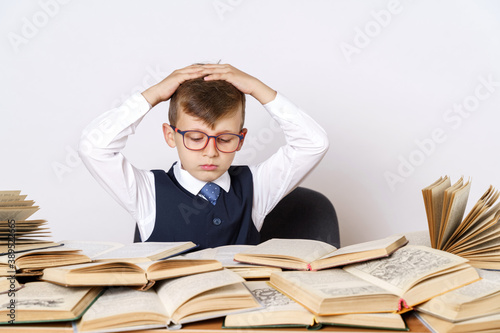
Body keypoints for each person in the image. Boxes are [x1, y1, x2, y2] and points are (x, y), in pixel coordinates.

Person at [79, 64, 329, 249]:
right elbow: (94, 147)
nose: (211, 152)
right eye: (196, 138)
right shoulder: (147, 193)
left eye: (225, 139)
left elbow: (313, 143)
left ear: (240, 139)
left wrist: (257, 88)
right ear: (170, 135)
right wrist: (152, 95)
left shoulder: (258, 188)